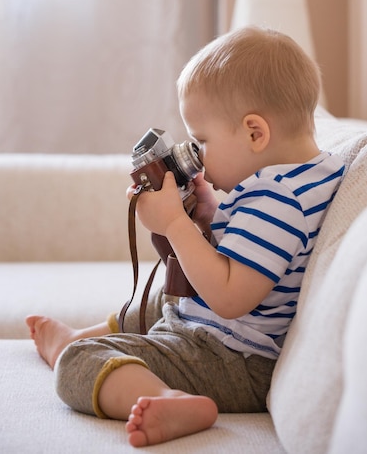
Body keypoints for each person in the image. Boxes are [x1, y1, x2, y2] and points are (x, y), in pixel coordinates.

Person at [26, 25, 345, 448]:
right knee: (167, 297)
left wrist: (176, 226)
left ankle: (162, 397)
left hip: (232, 360)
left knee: (77, 365)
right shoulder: (306, 178)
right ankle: (85, 334)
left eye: (202, 141)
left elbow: (230, 299)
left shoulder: (276, 198)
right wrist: (209, 217)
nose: (195, 158)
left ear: (255, 133)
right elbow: (249, 261)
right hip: (230, 343)